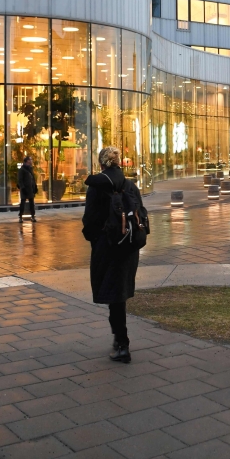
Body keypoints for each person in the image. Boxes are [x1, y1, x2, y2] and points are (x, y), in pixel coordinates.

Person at [83, 146, 144, 363]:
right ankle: (119, 339)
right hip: (128, 246)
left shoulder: (97, 187)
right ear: (119, 163)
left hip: (106, 247)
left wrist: (96, 240)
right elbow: (141, 214)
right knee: (119, 292)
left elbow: (89, 220)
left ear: (101, 164)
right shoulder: (130, 185)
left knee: (114, 294)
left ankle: (122, 343)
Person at [17, 156, 38, 222]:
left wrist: (35, 186)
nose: (31, 161)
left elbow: (33, 178)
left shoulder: (30, 169)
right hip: (25, 189)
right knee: (23, 202)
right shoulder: (22, 169)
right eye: (30, 159)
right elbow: (20, 180)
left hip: (31, 189)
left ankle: (33, 216)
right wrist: (22, 188)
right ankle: (20, 216)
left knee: (31, 203)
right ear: (27, 161)